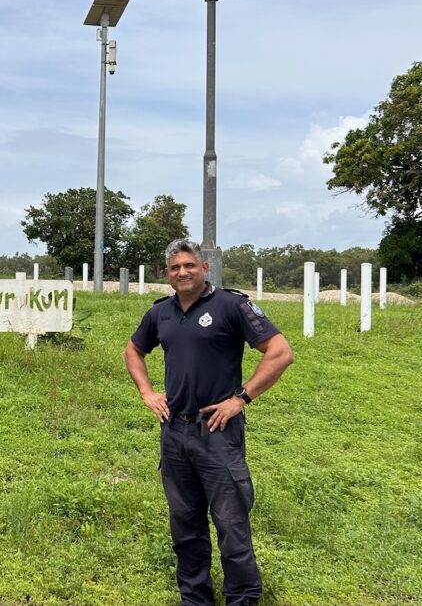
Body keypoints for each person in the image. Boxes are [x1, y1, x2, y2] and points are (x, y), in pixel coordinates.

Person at [124, 239, 293, 606]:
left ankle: (243, 598)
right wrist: (147, 392)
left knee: (231, 525)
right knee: (185, 525)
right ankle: (195, 598)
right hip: (174, 433)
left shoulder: (232, 305)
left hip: (217, 433)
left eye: (188, 265)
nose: (182, 272)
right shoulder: (160, 313)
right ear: (166, 274)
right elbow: (133, 349)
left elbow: (280, 353)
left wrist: (240, 398)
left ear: (204, 268)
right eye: (174, 268)